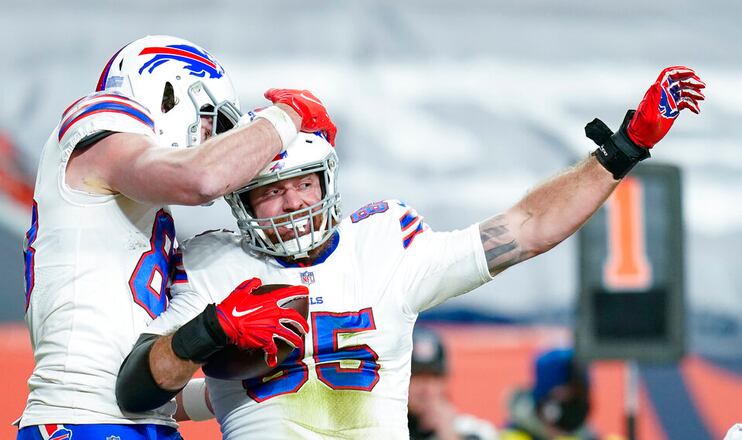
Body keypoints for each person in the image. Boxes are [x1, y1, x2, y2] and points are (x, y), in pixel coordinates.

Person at [114, 66, 705, 439]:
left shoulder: (384, 244)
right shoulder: (216, 263)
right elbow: (137, 389)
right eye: (271, 191)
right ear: (241, 202)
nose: (292, 202)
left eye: (303, 184)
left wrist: (623, 149)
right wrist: (210, 330)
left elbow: (525, 228)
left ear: (327, 183)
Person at [17, 34, 334, 440]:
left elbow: (133, 387)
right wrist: (287, 116)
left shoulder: (133, 206)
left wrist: (237, 390)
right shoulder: (97, 122)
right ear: (169, 94)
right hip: (81, 421)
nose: (211, 139)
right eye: (209, 122)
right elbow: (202, 177)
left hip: (129, 422)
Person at [408, 326, 498, 440]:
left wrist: (448, 435)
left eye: (434, 377)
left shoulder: (475, 431)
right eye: (417, 376)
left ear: (445, 381)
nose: (426, 388)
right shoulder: (384, 429)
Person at [500, 348, 599, 440]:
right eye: (566, 394)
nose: (574, 405)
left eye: (580, 395)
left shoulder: (588, 436)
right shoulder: (513, 436)